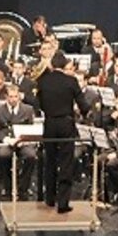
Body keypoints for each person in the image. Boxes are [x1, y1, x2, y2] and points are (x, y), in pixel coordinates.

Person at [37, 51, 89, 213]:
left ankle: (49, 199)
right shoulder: (71, 81)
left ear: (52, 65)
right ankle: (63, 203)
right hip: (66, 123)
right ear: (65, 65)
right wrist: (82, 112)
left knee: (50, 160)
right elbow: (83, 105)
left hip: (49, 123)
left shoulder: (43, 81)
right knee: (66, 162)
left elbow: (39, 104)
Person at [0, 84, 37, 199]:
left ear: (19, 97)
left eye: (15, 96)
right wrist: (6, 139)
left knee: (31, 156)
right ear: (6, 97)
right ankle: (6, 187)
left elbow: (31, 128)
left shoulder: (28, 109)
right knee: (2, 155)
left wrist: (24, 139)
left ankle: (23, 188)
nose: (13, 99)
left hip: (23, 141)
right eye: (11, 97)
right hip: (7, 142)